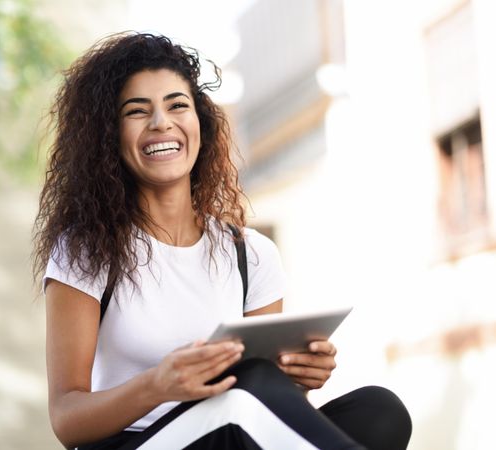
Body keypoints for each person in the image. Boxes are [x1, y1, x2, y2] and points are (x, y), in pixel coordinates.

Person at [33, 32, 412, 450]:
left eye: (177, 105)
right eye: (137, 111)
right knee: (248, 384)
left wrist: (298, 377)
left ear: (201, 123)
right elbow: (67, 420)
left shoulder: (250, 254)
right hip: (136, 443)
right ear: (109, 135)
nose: (162, 122)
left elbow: (270, 407)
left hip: (233, 431)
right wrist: (158, 385)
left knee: (379, 412)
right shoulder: (87, 249)